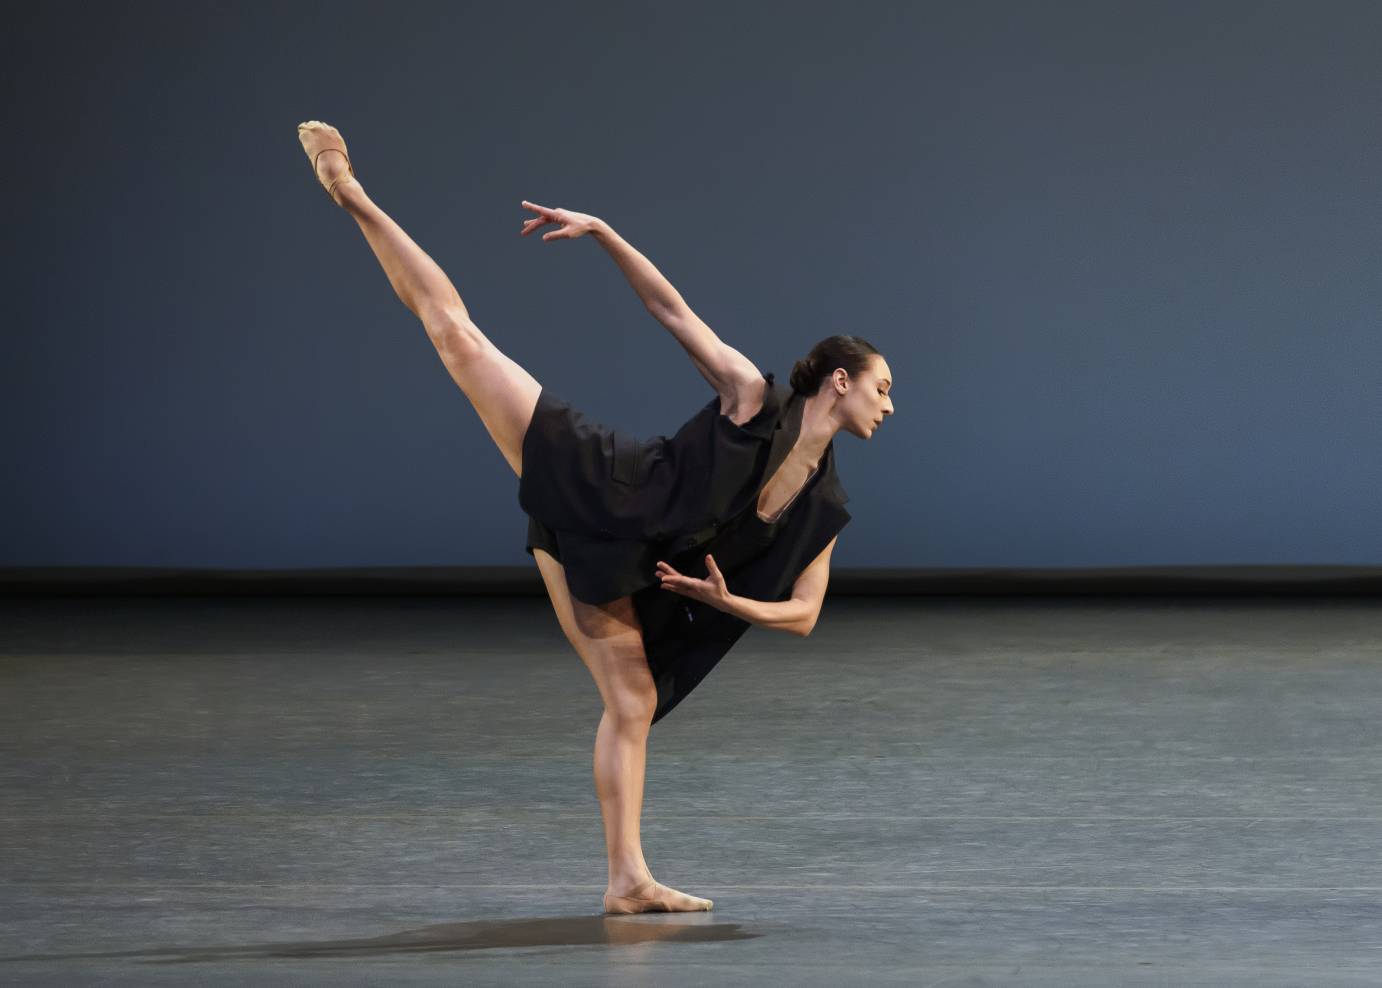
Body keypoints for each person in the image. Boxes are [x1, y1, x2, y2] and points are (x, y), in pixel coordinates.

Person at [295, 121, 896, 914]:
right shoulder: (755, 398)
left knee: (633, 703)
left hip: (637, 573)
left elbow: (805, 614)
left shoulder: (827, 504)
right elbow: (671, 310)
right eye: (883, 388)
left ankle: (627, 881)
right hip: (607, 484)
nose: (889, 406)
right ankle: (352, 194)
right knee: (459, 340)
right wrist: (605, 232)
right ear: (843, 381)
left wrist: (725, 603)